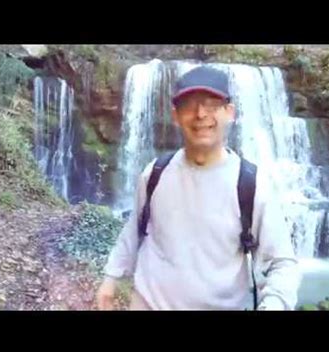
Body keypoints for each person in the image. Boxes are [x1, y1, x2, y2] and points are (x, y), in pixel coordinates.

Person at [96, 65, 300, 310]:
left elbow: (282, 262)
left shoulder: (251, 184)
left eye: (211, 104)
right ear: (175, 115)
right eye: (189, 105)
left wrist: (275, 303)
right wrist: (110, 278)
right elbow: (132, 233)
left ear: (230, 112)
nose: (201, 114)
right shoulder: (155, 173)